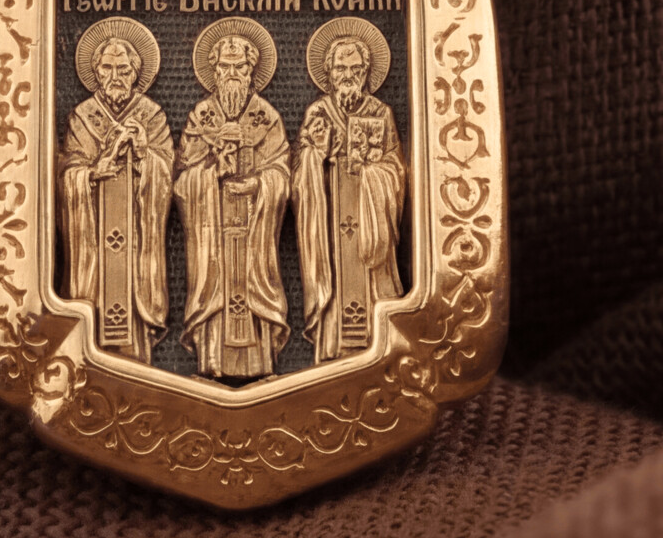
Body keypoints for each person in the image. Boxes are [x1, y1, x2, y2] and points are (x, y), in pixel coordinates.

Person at [174, 23, 291, 380]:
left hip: (253, 229)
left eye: (240, 66)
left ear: (252, 71)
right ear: (214, 71)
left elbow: (282, 173)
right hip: (213, 231)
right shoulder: (201, 117)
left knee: (251, 292)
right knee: (217, 291)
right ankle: (211, 363)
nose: (232, 74)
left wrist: (259, 185)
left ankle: (261, 366)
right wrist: (211, 171)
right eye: (225, 66)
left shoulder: (266, 118)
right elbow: (182, 180)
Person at [57, 22, 174, 365]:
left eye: (123, 69)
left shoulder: (151, 115)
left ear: (136, 73)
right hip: (96, 234)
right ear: (96, 72)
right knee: (99, 295)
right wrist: (93, 173)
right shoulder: (82, 117)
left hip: (136, 231)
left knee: (132, 291)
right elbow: (67, 172)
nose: (115, 76)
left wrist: (144, 154)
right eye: (107, 68)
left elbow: (168, 170)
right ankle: (95, 358)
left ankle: (137, 359)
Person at [292, 23, 405, 362]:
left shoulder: (380, 112)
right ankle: (332, 348)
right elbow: (300, 173)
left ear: (366, 72)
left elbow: (396, 169)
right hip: (329, 221)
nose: (348, 75)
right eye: (340, 68)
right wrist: (317, 156)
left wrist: (372, 173)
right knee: (336, 280)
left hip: (369, 222)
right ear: (328, 72)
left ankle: (374, 350)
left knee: (368, 284)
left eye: (355, 68)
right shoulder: (318, 113)